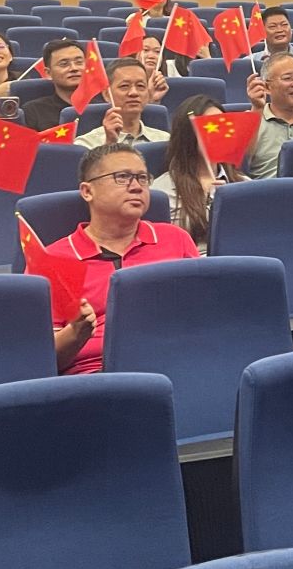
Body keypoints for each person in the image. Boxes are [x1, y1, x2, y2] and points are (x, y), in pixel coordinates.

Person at [45, 144, 201, 375]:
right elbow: (38, 361)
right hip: (95, 374)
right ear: (87, 191)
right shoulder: (53, 259)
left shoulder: (175, 239)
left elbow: (202, 315)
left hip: (175, 362)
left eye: (142, 178)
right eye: (123, 177)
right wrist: (76, 333)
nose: (136, 187)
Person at [153, 97, 244, 250]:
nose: (219, 133)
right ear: (188, 135)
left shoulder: (244, 185)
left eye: (223, 125)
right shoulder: (162, 191)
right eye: (210, 126)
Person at [243, 53, 293, 177]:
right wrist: (257, 109)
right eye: (287, 78)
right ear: (267, 87)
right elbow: (240, 164)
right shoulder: (249, 120)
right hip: (266, 188)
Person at [77, 57, 169, 148]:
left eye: (140, 86)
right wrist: (109, 143)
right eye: (124, 86)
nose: (134, 92)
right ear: (107, 94)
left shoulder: (165, 141)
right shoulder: (86, 144)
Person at [21, 38, 87, 133]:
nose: (74, 68)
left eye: (79, 62)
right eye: (64, 64)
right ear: (48, 73)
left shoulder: (103, 105)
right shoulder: (33, 111)